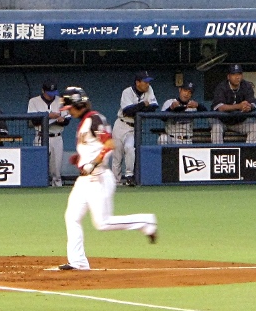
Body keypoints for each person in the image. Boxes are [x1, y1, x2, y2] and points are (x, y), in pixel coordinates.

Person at [58, 87, 157, 271]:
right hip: (84, 180)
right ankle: (78, 261)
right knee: (71, 216)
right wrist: (80, 159)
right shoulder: (85, 122)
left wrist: (93, 163)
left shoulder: (95, 119)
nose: (68, 111)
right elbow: (92, 147)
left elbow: (109, 145)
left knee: (102, 223)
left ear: (78, 104)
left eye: (70, 107)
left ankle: (146, 221)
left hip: (99, 178)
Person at [112, 71, 158, 186]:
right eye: (145, 82)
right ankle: (115, 182)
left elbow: (153, 107)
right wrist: (143, 105)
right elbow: (127, 110)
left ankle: (129, 176)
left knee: (129, 148)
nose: (147, 84)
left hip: (134, 127)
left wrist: (137, 108)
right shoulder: (127, 92)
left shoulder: (149, 90)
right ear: (138, 82)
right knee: (117, 156)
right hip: (121, 125)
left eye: (148, 82)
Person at [27, 81, 70, 187]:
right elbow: (33, 121)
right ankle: (38, 190)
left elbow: (67, 120)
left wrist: (61, 120)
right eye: (49, 93)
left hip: (56, 137)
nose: (51, 96)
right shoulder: (34, 101)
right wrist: (48, 116)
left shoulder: (62, 101)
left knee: (56, 171)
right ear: (43, 91)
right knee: (40, 168)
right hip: (40, 136)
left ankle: (57, 191)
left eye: (53, 92)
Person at [210, 64, 256, 143]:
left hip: (239, 122)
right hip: (221, 121)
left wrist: (248, 107)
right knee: (216, 129)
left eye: (239, 74)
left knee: (255, 127)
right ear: (228, 76)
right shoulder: (221, 87)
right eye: (234, 74)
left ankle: (247, 154)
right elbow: (221, 107)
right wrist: (239, 106)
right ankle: (219, 153)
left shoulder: (246, 86)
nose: (237, 77)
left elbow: (253, 104)